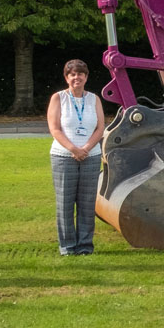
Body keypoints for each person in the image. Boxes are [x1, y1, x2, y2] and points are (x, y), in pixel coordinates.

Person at [46, 59, 106, 255]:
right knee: (65, 202)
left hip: (91, 155)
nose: (76, 77)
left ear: (86, 77)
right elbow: (54, 128)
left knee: (87, 202)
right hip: (64, 156)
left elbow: (100, 127)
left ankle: (85, 245)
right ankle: (67, 246)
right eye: (72, 74)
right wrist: (73, 148)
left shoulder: (94, 99)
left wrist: (87, 148)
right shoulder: (58, 98)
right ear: (66, 77)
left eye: (80, 74)